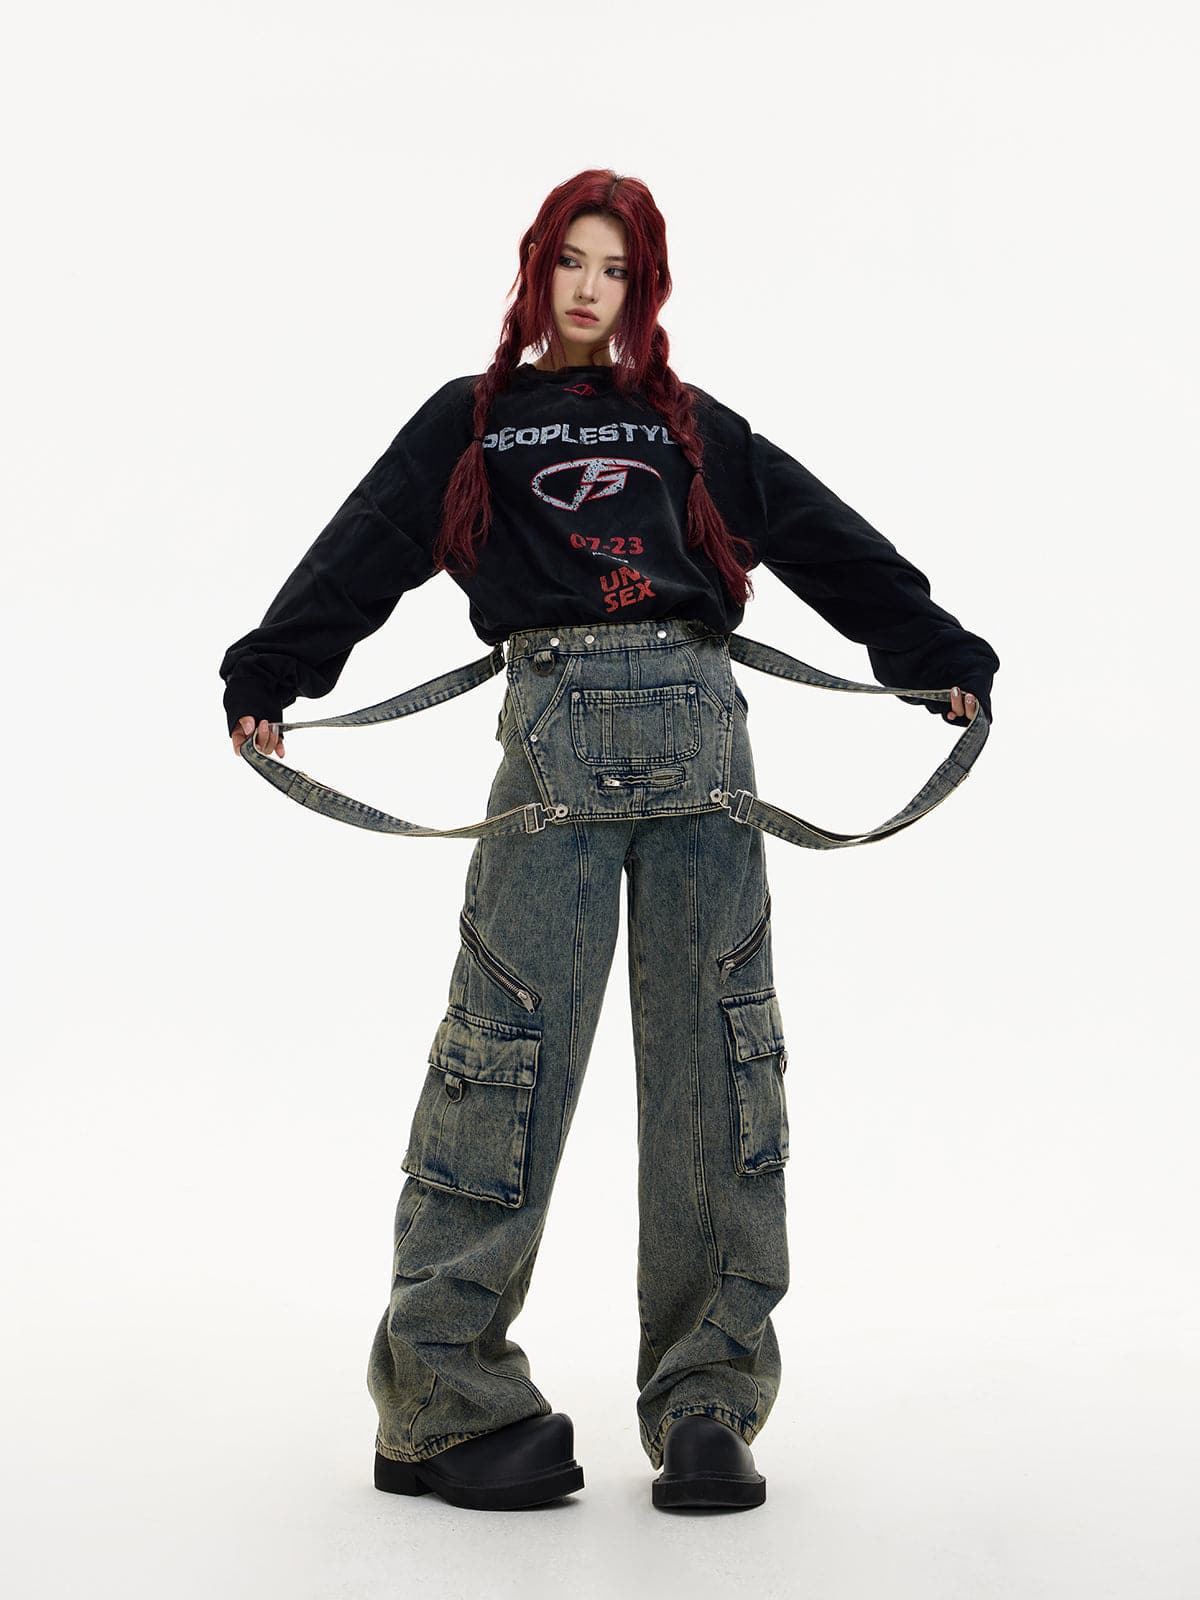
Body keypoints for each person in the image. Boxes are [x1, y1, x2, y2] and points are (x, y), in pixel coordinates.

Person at [220, 168, 999, 1514]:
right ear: (537, 271)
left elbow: (819, 536)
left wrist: (932, 654)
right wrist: (273, 673)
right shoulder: (472, 423)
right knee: (504, 1058)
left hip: (706, 758)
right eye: (572, 262)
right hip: (552, 760)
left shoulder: (690, 428)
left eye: (618, 269)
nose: (590, 288)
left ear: (646, 289)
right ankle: (443, 1399)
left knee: (718, 1063)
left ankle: (708, 1400)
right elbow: (369, 543)